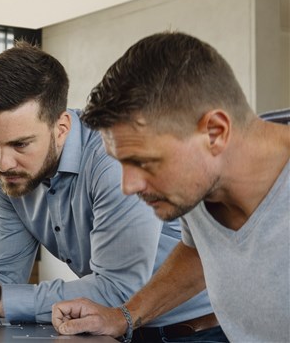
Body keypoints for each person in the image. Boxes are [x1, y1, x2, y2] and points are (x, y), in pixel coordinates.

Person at [0, 41, 226, 342]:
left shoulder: (112, 159)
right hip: (107, 329)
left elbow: (118, 290)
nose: (2, 162)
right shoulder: (12, 175)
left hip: (192, 332)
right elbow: (5, 273)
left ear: (61, 128)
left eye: (20, 144)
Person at [51, 32, 290, 343]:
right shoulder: (201, 184)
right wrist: (125, 315)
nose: (129, 186)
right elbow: (196, 252)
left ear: (215, 132)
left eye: (145, 162)